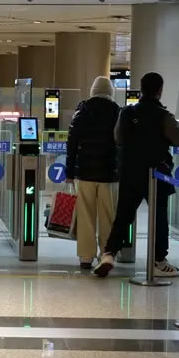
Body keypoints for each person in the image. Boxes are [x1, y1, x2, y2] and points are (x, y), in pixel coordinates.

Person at [94, 72, 179, 278]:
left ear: (141, 89)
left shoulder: (127, 112)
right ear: (160, 90)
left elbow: (118, 137)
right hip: (157, 174)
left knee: (123, 215)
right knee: (159, 218)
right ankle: (158, 261)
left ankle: (109, 254)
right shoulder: (164, 116)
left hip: (130, 172)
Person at [65, 76, 121, 271]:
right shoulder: (117, 112)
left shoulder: (82, 111)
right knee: (108, 216)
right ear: (111, 92)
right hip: (109, 174)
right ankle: (106, 254)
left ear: (93, 91)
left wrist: (69, 171)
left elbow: (71, 144)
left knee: (86, 215)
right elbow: (122, 143)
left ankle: (85, 256)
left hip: (85, 173)